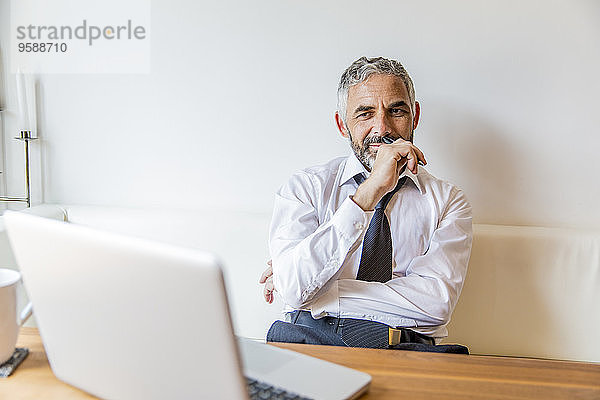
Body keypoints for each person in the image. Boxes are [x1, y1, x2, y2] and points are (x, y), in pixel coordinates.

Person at [259, 56, 473, 352]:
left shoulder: (448, 201)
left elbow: (435, 304)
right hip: (312, 342)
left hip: (407, 351)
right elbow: (296, 287)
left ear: (415, 116)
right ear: (342, 124)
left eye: (396, 110)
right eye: (365, 113)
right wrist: (367, 195)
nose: (382, 127)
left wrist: (318, 291)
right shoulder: (306, 187)